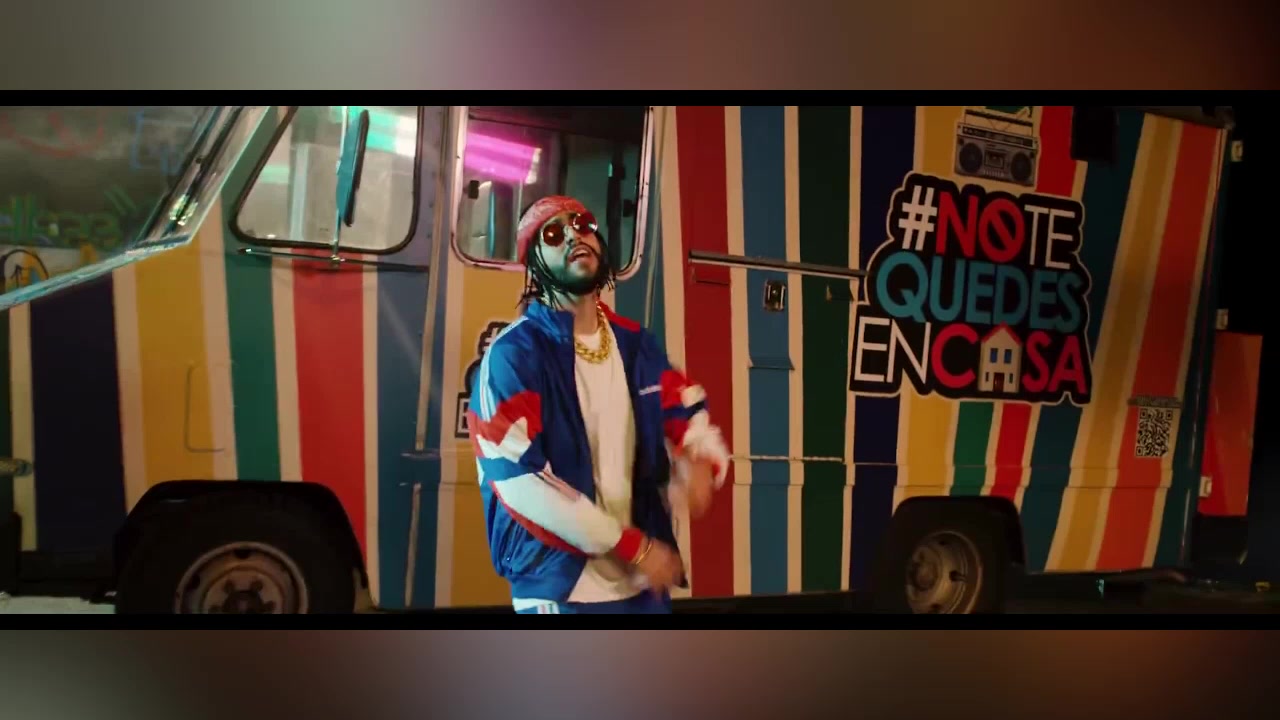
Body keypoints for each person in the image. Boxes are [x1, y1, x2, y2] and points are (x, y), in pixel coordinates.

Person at [466, 195, 730, 614]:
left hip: (641, 588)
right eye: (554, 233)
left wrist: (700, 460)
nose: (574, 235)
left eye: (583, 224)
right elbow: (523, 483)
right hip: (561, 592)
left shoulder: (635, 345)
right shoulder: (513, 356)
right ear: (534, 265)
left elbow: (687, 413)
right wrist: (634, 547)